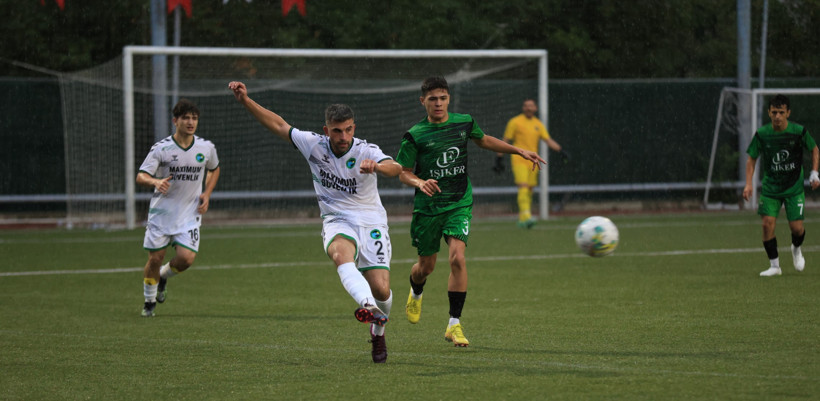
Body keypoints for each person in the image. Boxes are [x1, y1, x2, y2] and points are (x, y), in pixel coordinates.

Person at [229, 81, 402, 363]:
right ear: (326, 130)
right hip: (337, 219)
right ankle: (367, 305)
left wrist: (379, 167)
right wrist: (246, 101)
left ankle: (378, 331)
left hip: (372, 222)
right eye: (337, 131)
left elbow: (396, 167)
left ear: (354, 128)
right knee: (340, 254)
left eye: (348, 129)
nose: (343, 136)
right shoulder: (313, 145)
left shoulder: (366, 150)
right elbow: (279, 125)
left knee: (382, 289)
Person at [396, 76, 545, 347]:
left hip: (459, 202)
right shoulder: (415, 135)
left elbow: (484, 140)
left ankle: (454, 324)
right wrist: (420, 182)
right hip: (428, 208)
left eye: (443, 98)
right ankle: (416, 290)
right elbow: (403, 172)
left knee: (457, 258)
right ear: (422, 101)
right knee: (425, 267)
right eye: (432, 99)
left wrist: (518, 151)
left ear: (449, 99)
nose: (438, 103)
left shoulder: (464, 122)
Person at [137, 98, 221, 317]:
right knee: (155, 259)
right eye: (186, 118)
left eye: (194, 118)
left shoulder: (206, 148)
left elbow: (214, 169)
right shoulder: (161, 148)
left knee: (186, 259)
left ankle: (163, 276)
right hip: (161, 214)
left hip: (189, 214)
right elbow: (141, 176)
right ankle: (149, 302)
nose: (191, 122)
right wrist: (155, 181)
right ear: (175, 121)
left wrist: (207, 193)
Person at [742, 94, 820, 277]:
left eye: (781, 112)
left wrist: (814, 172)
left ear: (788, 113)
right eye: (774, 112)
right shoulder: (762, 134)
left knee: (797, 229)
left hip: (794, 188)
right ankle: (775, 266)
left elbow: (814, 149)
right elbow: (751, 159)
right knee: (767, 224)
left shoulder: (798, 131)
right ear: (769, 112)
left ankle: (796, 248)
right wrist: (748, 184)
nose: (777, 116)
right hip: (771, 189)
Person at [494, 99, 569, 228]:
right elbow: (505, 140)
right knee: (523, 186)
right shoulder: (515, 122)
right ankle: (527, 216)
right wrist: (499, 158)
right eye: (526, 106)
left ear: (535, 108)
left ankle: (522, 219)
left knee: (529, 189)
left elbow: (548, 140)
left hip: (533, 161)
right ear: (523, 108)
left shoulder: (538, 124)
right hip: (519, 159)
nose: (528, 108)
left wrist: (561, 151)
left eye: (531, 106)